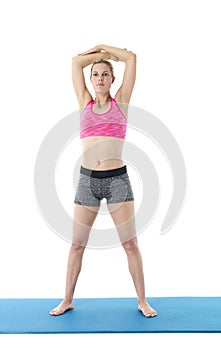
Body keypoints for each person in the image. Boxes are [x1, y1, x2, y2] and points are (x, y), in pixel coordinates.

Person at [50, 44, 158, 318]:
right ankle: (67, 300)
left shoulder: (120, 102)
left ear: (112, 79)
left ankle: (142, 301)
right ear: (91, 79)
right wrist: (96, 53)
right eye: (95, 74)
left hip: (117, 180)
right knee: (77, 245)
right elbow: (76, 62)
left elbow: (132, 57)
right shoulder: (83, 101)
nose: (99, 78)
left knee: (130, 244)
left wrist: (106, 51)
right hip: (87, 180)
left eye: (104, 74)